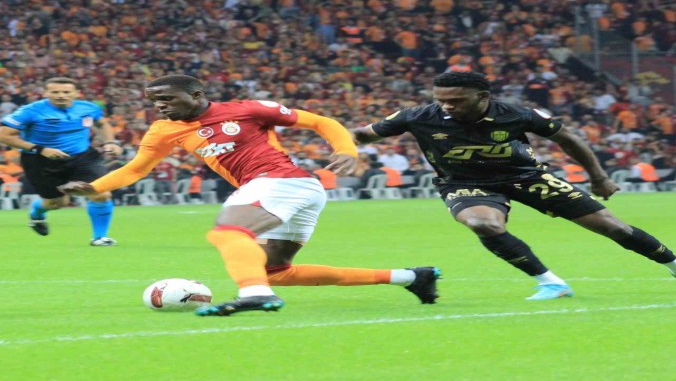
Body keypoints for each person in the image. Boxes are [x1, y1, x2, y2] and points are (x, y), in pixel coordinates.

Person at [59, 74, 441, 316]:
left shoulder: (248, 110)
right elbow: (136, 169)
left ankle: (254, 294)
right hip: (288, 189)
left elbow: (320, 121)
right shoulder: (163, 130)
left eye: (168, 99)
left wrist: (346, 149)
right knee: (277, 272)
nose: (160, 106)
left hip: (281, 181)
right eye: (155, 101)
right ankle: (411, 277)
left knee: (229, 233)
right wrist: (95, 187)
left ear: (196, 94)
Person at [352, 71, 676, 300]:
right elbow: (362, 134)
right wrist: (342, 145)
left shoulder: (516, 114)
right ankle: (551, 283)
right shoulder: (418, 116)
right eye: (441, 100)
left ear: (482, 97)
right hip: (464, 182)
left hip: (527, 177)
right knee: (483, 223)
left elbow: (568, 139)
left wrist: (598, 176)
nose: (446, 106)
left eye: (456, 100)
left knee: (612, 227)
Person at [0, 77, 118, 246]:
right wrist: (41, 149)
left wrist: (110, 142)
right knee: (57, 203)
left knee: (100, 193)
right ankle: (37, 213)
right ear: (46, 93)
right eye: (55, 92)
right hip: (40, 160)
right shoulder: (30, 111)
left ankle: (100, 237)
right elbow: (4, 135)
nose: (61, 95)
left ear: (76, 93)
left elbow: (102, 124)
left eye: (66, 92)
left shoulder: (88, 108)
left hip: (82, 157)